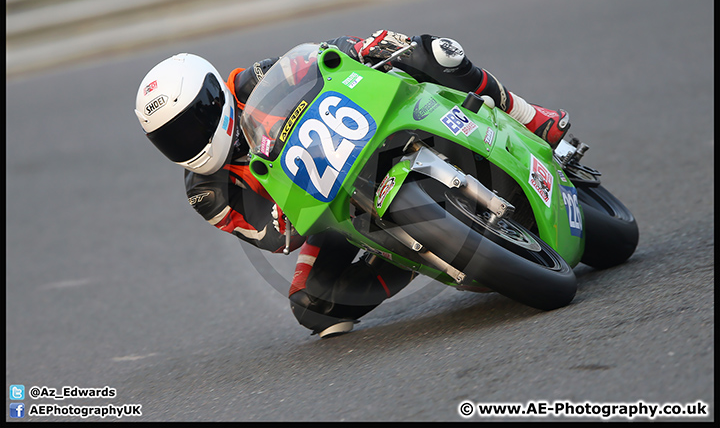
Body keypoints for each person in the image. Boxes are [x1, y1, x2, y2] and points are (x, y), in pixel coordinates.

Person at [134, 30, 570, 338]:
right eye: (170, 138)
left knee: (434, 52)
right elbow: (277, 238)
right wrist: (281, 210)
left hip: (371, 135)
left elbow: (331, 58)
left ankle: (530, 116)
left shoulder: (257, 80)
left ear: (214, 98)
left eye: (190, 126)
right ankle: (413, 252)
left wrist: (364, 50)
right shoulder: (205, 192)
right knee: (312, 305)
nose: (187, 143)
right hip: (332, 209)